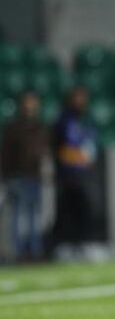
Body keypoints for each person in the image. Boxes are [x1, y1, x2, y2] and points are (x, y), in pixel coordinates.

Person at [1, 91, 49, 262]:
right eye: (28, 102)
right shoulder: (13, 127)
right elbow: (6, 155)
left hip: (35, 176)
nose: (30, 106)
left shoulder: (40, 126)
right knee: (19, 216)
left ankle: (34, 251)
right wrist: (5, 177)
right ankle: (19, 251)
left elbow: (44, 152)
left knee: (35, 216)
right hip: (17, 177)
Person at [51, 86, 100, 253]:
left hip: (83, 173)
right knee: (68, 210)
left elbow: (90, 144)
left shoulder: (86, 120)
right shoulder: (64, 120)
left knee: (84, 210)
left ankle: (84, 243)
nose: (82, 102)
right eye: (78, 98)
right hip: (68, 174)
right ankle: (65, 246)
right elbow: (61, 148)